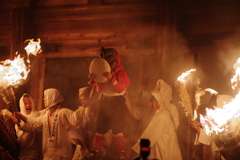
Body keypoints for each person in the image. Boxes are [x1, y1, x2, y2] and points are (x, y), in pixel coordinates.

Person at [88, 47, 134, 160]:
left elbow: (120, 89)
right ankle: (96, 151)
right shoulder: (104, 73)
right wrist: (93, 81)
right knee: (100, 128)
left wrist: (112, 78)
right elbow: (99, 90)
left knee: (117, 129)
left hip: (117, 103)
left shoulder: (121, 73)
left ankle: (121, 153)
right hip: (105, 101)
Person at [14, 88, 85, 160]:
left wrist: (72, 126)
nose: (44, 99)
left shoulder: (64, 112)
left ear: (52, 98)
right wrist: (21, 117)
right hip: (48, 155)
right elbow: (34, 123)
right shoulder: (46, 116)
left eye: (46, 97)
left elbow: (78, 120)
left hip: (62, 155)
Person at [131, 81, 182, 160]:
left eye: (159, 89)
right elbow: (139, 114)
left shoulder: (167, 111)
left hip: (165, 145)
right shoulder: (155, 110)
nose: (157, 90)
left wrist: (130, 153)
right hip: (157, 145)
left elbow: (150, 136)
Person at [1, 93, 45, 160]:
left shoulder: (38, 115)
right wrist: (11, 116)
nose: (28, 105)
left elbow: (29, 124)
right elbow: (3, 112)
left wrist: (13, 117)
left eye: (30, 102)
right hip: (23, 153)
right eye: (25, 103)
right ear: (21, 104)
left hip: (36, 154)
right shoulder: (19, 116)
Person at [190, 92, 233, 160]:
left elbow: (219, 145)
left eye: (216, 108)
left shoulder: (234, 127)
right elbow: (212, 139)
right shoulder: (220, 122)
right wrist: (199, 128)